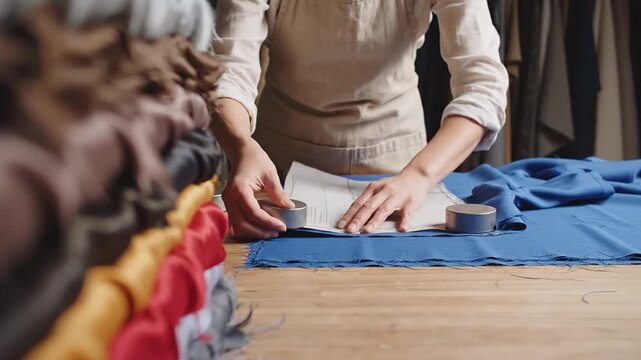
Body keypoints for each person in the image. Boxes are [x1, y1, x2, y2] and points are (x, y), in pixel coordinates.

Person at [209, 0, 509, 239]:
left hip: (401, 168)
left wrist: (419, 176)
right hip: (277, 174)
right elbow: (228, 73)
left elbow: (483, 87)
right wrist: (241, 146)